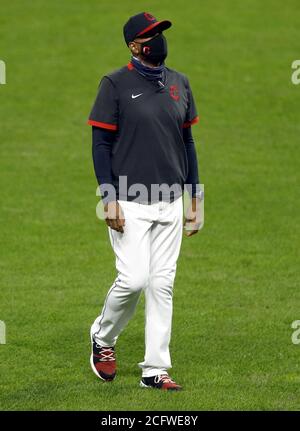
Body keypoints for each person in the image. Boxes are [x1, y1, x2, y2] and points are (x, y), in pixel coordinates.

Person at [87, 12, 203, 391]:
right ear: (134, 46)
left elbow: (186, 142)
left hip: (170, 201)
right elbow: (101, 144)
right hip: (130, 200)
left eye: (161, 33)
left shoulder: (180, 84)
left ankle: (154, 370)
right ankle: (103, 338)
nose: (159, 40)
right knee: (134, 279)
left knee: (162, 285)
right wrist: (108, 197)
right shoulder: (115, 84)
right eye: (151, 35)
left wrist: (195, 196)